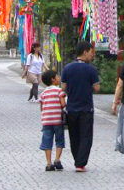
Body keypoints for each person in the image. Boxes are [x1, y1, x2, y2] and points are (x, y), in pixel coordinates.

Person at [61, 40, 100, 172]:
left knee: (74, 136)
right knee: (86, 136)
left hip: (71, 107)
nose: (92, 55)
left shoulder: (67, 68)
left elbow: (63, 87)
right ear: (85, 52)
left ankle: (77, 160)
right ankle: (80, 163)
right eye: (91, 52)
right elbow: (97, 88)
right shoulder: (91, 69)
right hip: (86, 107)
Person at [38, 69, 67, 171]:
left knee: (47, 141)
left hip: (46, 121)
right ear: (53, 79)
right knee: (59, 140)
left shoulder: (43, 93)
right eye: (57, 76)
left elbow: (41, 108)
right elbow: (63, 104)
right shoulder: (59, 91)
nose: (59, 78)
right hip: (58, 121)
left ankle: (49, 163)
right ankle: (57, 160)